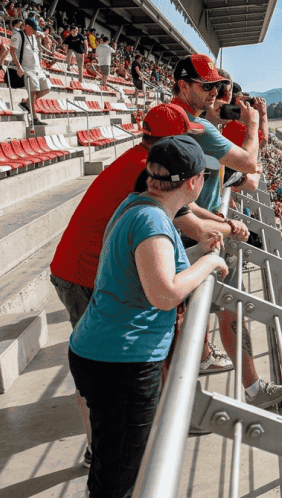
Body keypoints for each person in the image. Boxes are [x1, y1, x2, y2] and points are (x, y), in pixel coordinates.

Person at [68, 136, 229, 496]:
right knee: (120, 479)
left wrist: (198, 250)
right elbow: (163, 294)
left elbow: (150, 272)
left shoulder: (138, 206)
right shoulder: (152, 222)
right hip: (120, 361)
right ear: (193, 183)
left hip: (99, 349)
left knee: (115, 463)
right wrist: (208, 262)